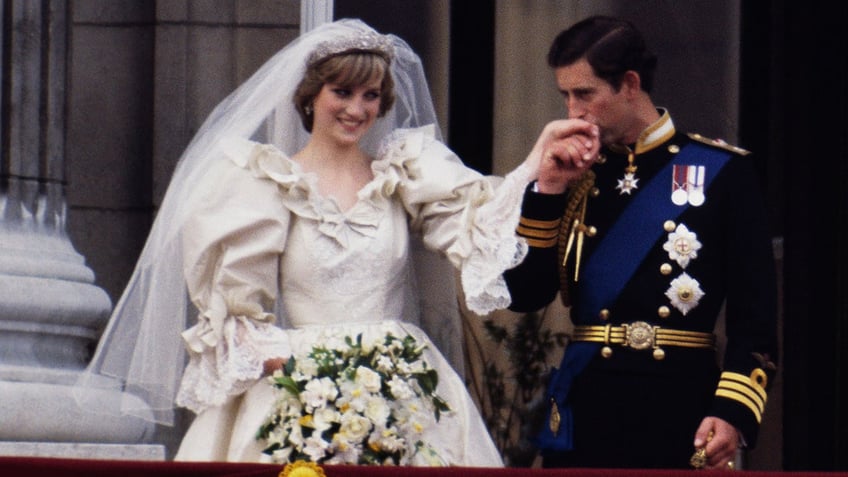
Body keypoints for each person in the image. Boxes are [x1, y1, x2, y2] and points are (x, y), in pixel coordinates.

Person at [73, 18, 597, 466]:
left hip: (406, 386)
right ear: (310, 97)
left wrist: (535, 169)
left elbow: (478, 225)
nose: (357, 109)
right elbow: (239, 318)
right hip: (300, 388)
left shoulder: (405, 173)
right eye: (341, 92)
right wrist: (322, 387)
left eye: (371, 96)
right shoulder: (264, 183)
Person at [503, 15, 779, 470]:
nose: (572, 111)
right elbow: (523, 295)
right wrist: (547, 191)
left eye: (585, 94)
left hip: (679, 406)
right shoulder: (571, 174)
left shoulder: (723, 172)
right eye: (566, 95)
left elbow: (756, 316)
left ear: (630, 84)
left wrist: (731, 411)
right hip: (587, 406)